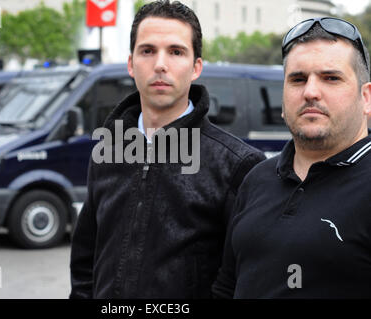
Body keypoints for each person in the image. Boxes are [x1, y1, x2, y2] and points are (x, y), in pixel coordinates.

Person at [70, 0, 265, 298]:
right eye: (147, 51)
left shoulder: (237, 165)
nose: (160, 64)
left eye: (176, 51)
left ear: (196, 67)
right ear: (131, 64)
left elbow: (242, 278)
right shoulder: (108, 150)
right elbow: (86, 259)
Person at [212, 17, 371, 298]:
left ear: (367, 98)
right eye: (297, 79)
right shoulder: (256, 179)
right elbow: (226, 286)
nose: (310, 92)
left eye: (331, 78)